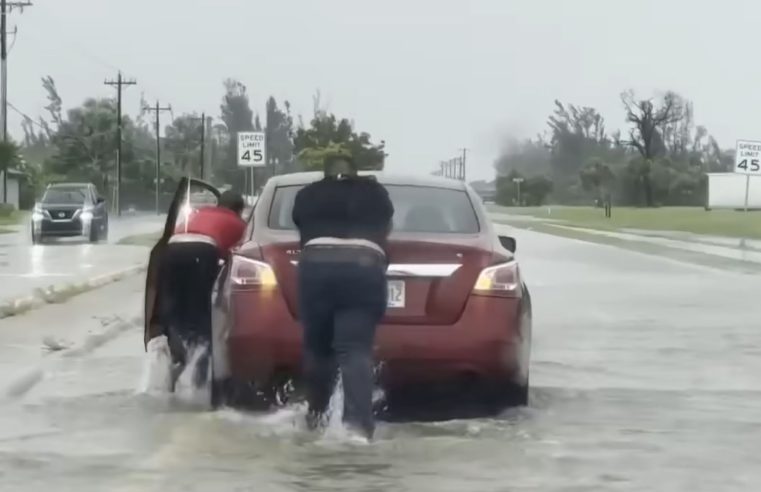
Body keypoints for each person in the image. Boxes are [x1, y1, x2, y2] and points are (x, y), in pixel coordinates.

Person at [292, 155, 394, 440]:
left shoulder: (307, 194)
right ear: (355, 172)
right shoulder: (375, 193)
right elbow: (385, 222)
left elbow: (301, 224)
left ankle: (315, 420)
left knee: (318, 351)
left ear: (326, 174)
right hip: (363, 268)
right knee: (355, 350)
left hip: (316, 269)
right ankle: (358, 429)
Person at [158, 190, 246, 394]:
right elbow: (237, 257)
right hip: (202, 250)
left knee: (176, 307)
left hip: (171, 249)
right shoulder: (238, 223)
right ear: (238, 210)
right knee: (203, 310)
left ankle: (176, 353)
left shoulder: (200, 213)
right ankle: (201, 371)